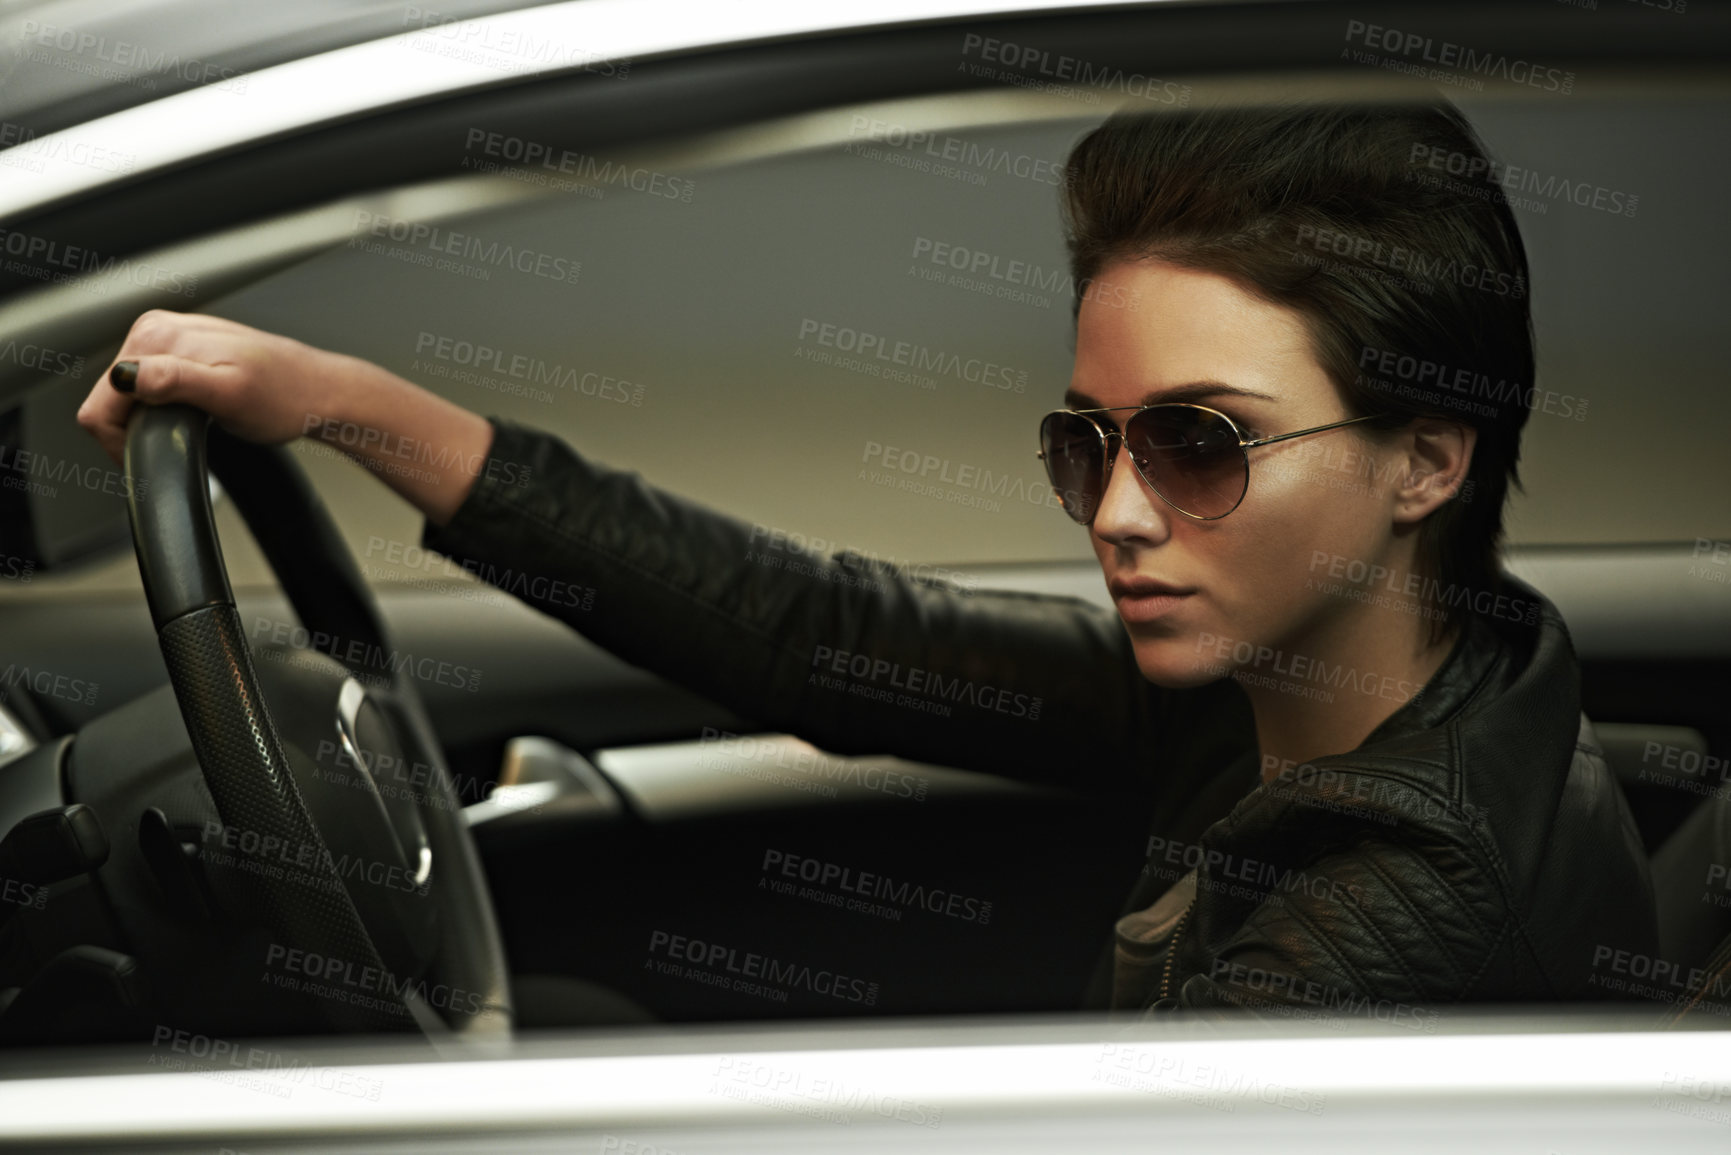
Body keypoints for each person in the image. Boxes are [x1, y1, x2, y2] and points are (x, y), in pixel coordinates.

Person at [77, 99, 1658, 1023]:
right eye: (1086, 441)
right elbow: (818, 636)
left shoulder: (1402, 900)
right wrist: (343, 403)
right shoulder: (1334, 676)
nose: (1113, 515)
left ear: (1428, 460)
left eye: (1199, 447)